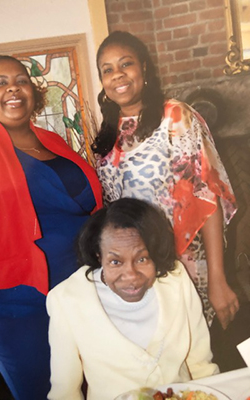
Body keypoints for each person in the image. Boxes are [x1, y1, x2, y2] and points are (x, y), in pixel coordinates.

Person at [0, 55, 102, 400]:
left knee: (95, 383)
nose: (13, 88)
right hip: (15, 305)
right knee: (44, 392)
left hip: (80, 289)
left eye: (21, 80)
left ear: (33, 92)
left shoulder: (55, 142)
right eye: (0, 83)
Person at [92, 31, 239, 329]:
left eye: (126, 64)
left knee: (198, 358)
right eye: (107, 70)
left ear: (144, 68)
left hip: (183, 266)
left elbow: (207, 199)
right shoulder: (107, 133)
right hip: (135, 273)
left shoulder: (174, 117)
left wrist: (217, 278)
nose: (117, 75)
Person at [47, 198, 219, 400]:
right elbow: (64, 392)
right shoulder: (67, 300)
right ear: (98, 255)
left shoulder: (176, 279)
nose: (130, 275)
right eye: (115, 262)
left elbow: (201, 367)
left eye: (142, 259)